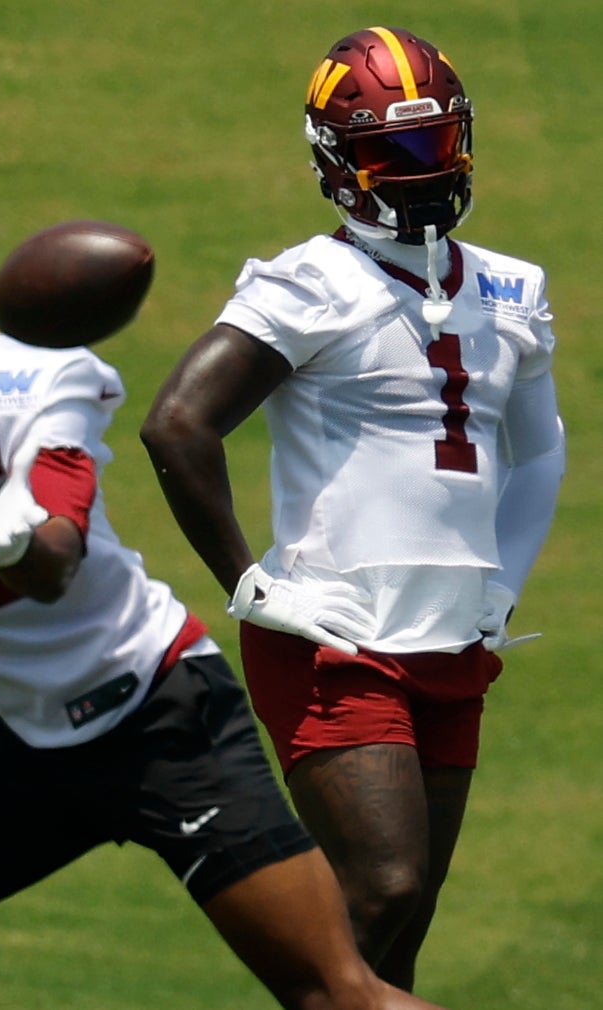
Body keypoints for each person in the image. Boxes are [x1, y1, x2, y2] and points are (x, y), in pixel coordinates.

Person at [0, 148, 453, 1010]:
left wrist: (23, 543)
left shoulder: (43, 370)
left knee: (336, 992)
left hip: (159, 714)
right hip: (36, 744)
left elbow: (54, 554)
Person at [140, 26, 566, 993]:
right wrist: (251, 584)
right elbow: (177, 426)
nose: (422, 172)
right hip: (334, 633)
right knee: (379, 889)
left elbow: (538, 446)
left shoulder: (511, 285)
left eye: (437, 144)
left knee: (396, 931)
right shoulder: (310, 282)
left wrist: (506, 577)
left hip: (453, 637)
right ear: (337, 164)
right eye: (392, 153)